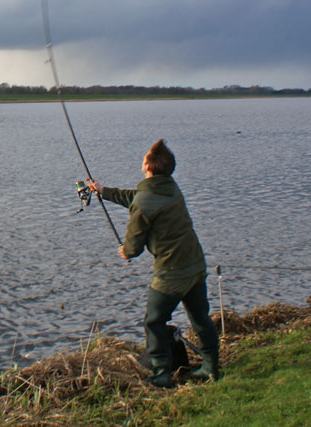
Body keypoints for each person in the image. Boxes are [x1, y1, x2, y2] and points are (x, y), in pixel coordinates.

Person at [86, 139, 220, 388]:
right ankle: (211, 367)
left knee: (153, 321)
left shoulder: (146, 202)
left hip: (171, 273)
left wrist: (125, 252)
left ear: (148, 165)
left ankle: (161, 374)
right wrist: (103, 190)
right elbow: (136, 198)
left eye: (144, 157)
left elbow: (134, 245)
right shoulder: (170, 188)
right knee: (200, 317)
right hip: (196, 265)